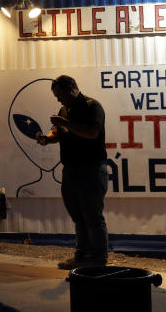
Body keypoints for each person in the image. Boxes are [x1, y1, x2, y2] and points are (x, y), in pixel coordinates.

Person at [36, 75, 108, 270]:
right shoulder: (64, 110)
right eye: (56, 97)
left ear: (71, 88)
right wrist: (46, 138)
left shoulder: (92, 106)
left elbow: (92, 133)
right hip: (71, 170)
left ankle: (98, 260)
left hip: (91, 169)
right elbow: (56, 132)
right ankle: (82, 256)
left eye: (60, 95)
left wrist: (65, 123)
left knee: (92, 215)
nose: (58, 100)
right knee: (78, 215)